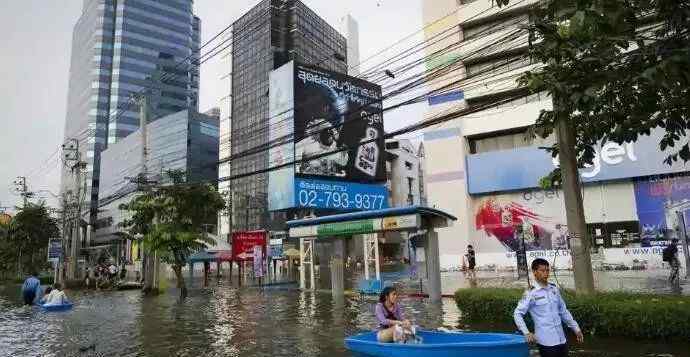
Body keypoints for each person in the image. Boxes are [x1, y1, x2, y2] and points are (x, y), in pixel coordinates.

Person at [514, 258, 583, 357]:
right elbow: (517, 313)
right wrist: (526, 333)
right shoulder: (531, 293)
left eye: (547, 270)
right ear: (534, 272)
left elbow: (563, 311)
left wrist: (576, 328)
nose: (546, 273)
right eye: (542, 271)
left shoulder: (553, 289)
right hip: (546, 341)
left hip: (561, 339)